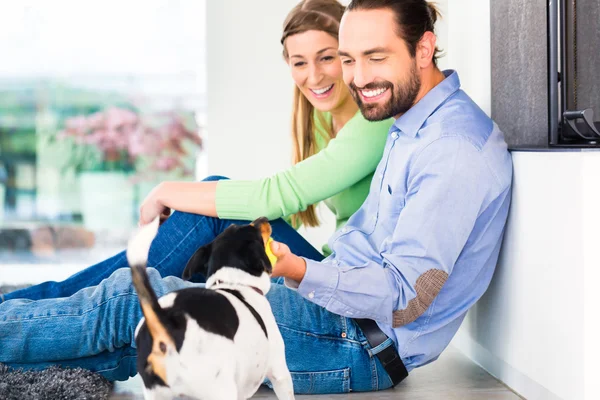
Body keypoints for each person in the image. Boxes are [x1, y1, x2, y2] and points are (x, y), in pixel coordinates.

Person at [0, 0, 513, 395]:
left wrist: (295, 271)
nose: (356, 78)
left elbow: (405, 298)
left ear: (424, 49)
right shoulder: (415, 121)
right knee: (134, 322)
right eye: (351, 59)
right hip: (339, 305)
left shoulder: (451, 150)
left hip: (359, 341)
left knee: (134, 303)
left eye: (375, 58)